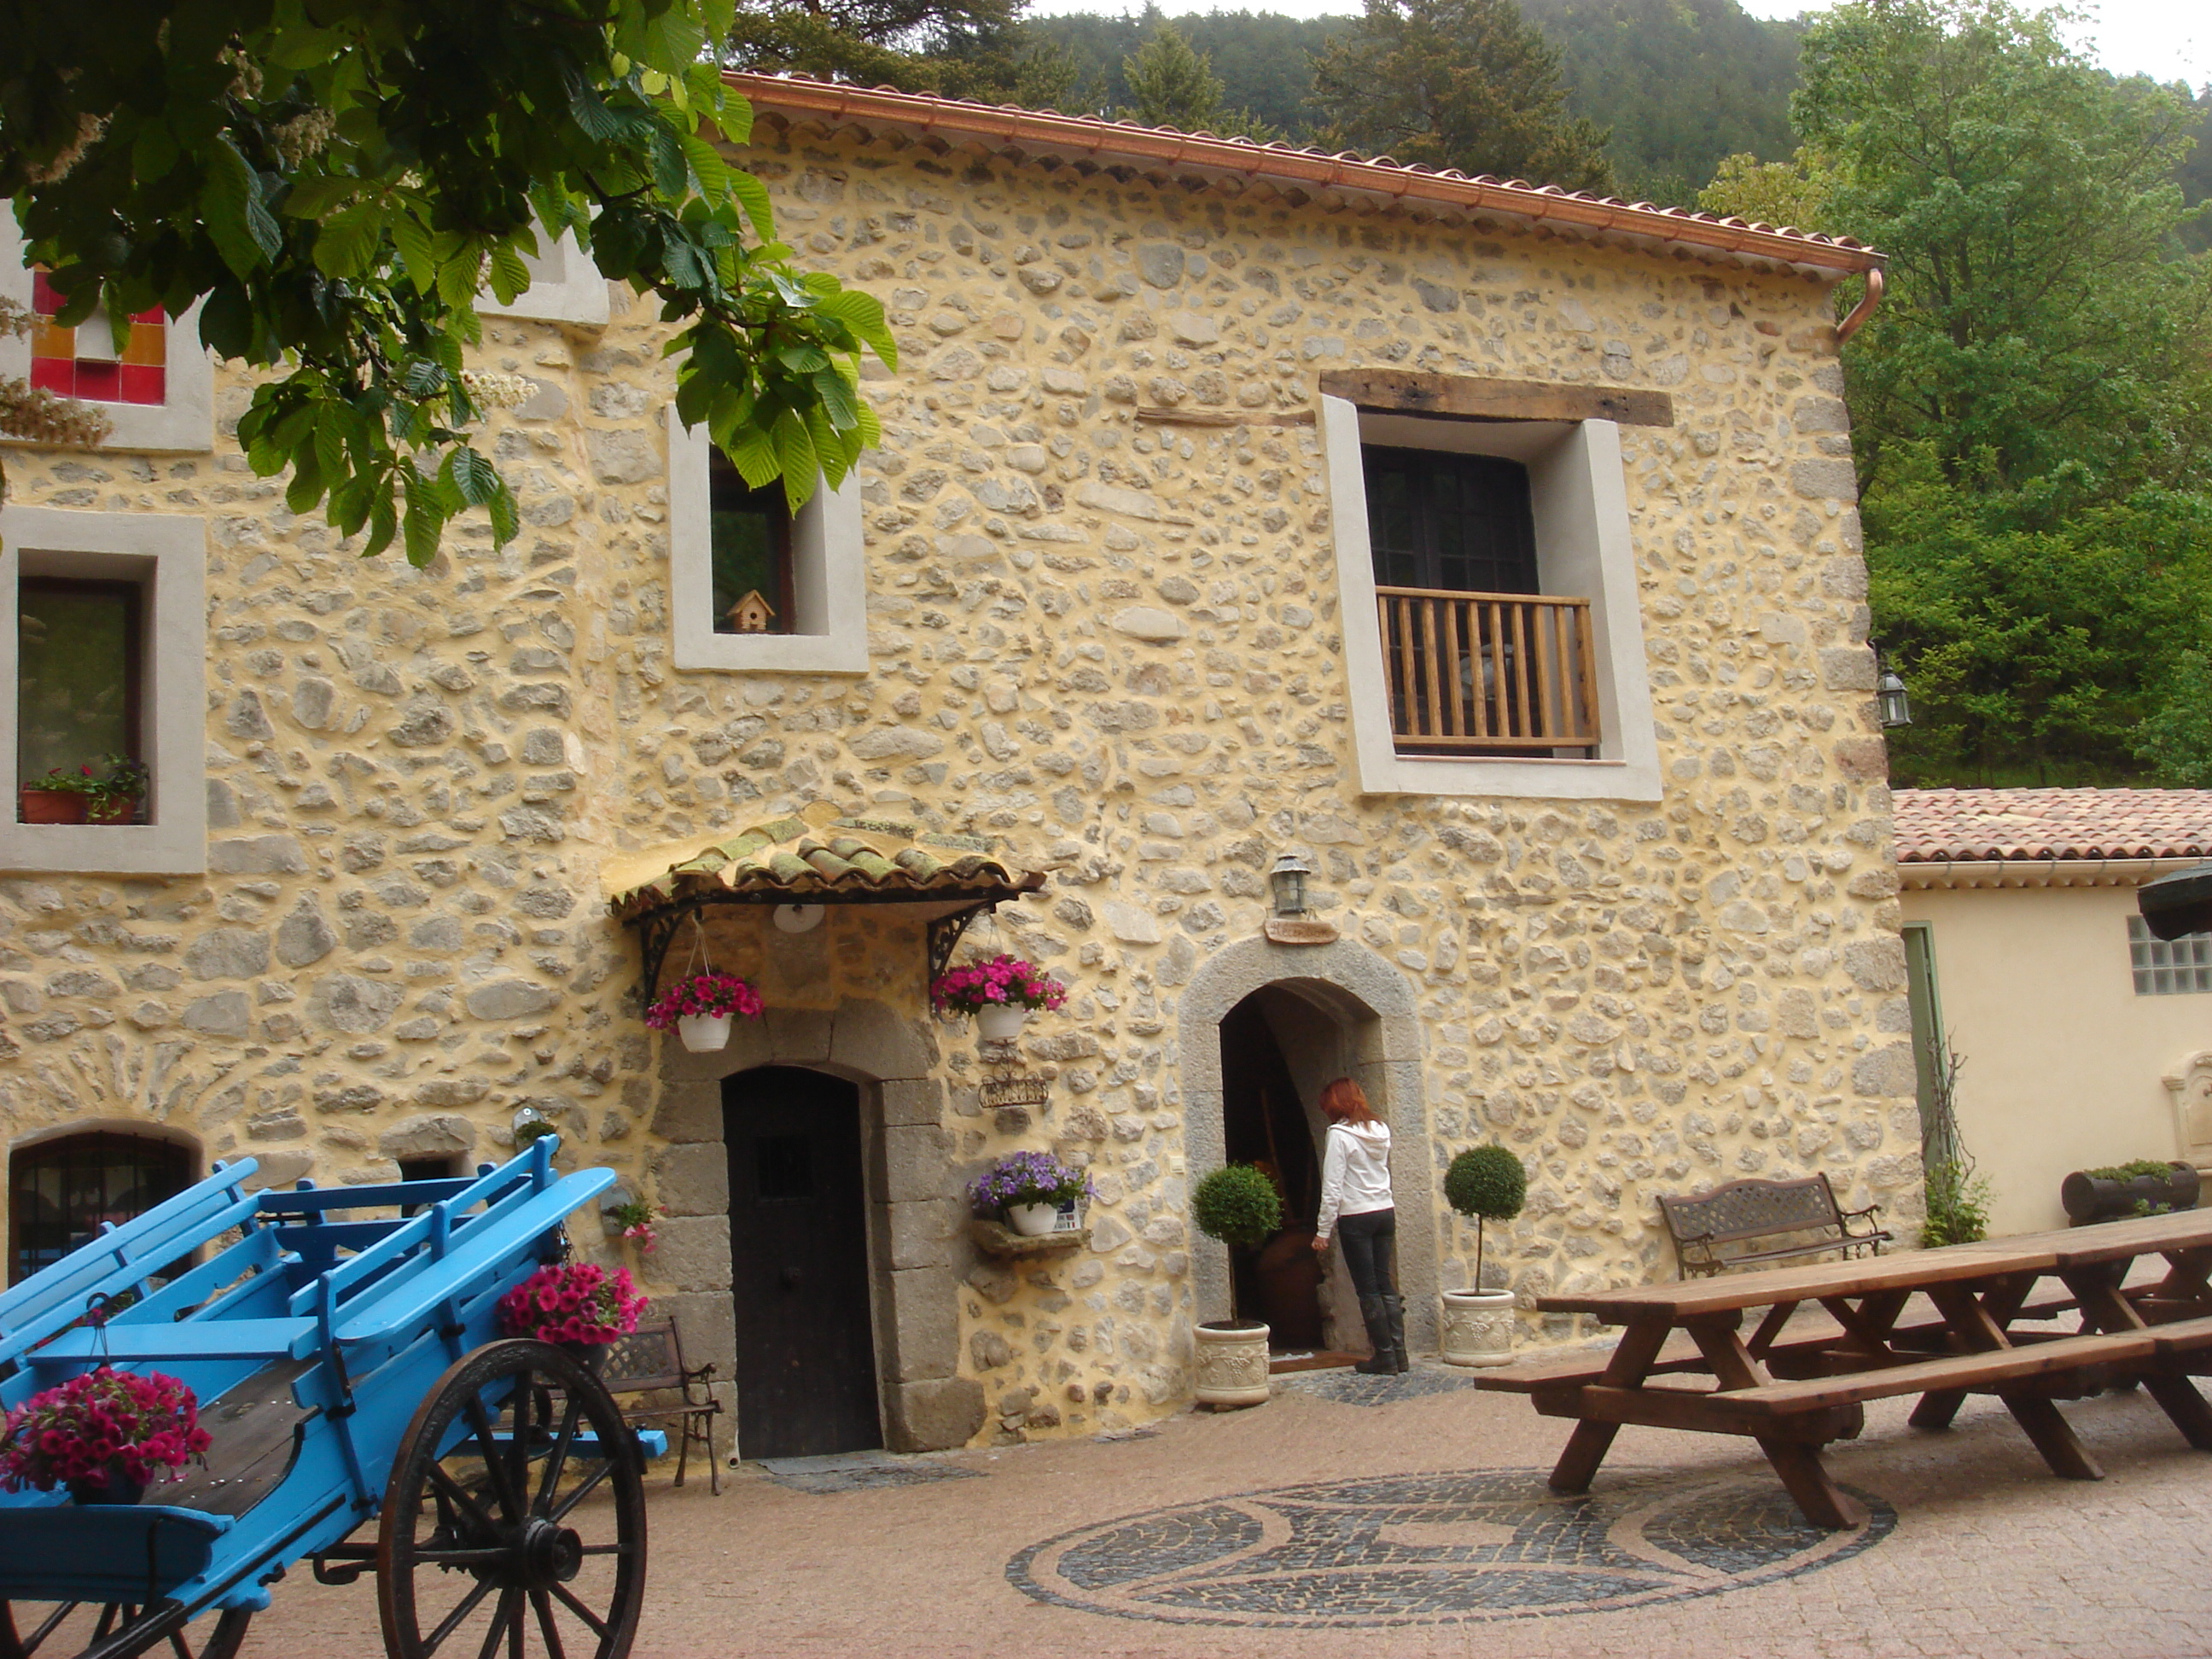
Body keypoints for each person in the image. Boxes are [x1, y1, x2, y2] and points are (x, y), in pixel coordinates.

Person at [1310, 1077, 1405, 1374]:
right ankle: (1399, 1354)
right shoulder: (1379, 1129)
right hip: (1384, 1210)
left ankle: (1384, 1356)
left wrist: (1323, 1231)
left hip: (1356, 1216)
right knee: (1384, 1283)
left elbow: (1333, 1186)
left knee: (1367, 1289)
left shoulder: (1339, 1135)